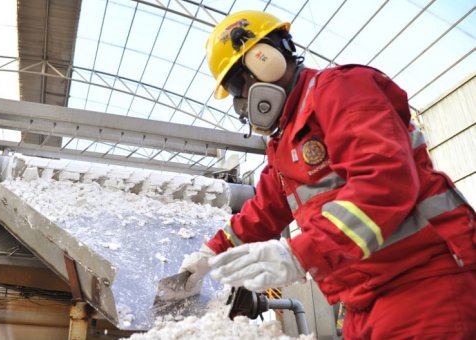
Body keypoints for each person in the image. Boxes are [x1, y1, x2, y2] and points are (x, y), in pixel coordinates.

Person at [179, 10, 476, 339]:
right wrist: (210, 253)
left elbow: (385, 180)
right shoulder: (285, 142)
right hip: (363, 300)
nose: (240, 102)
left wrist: (301, 253)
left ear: (265, 60)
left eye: (237, 84)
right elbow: (263, 211)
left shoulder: (343, 89)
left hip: (424, 285)